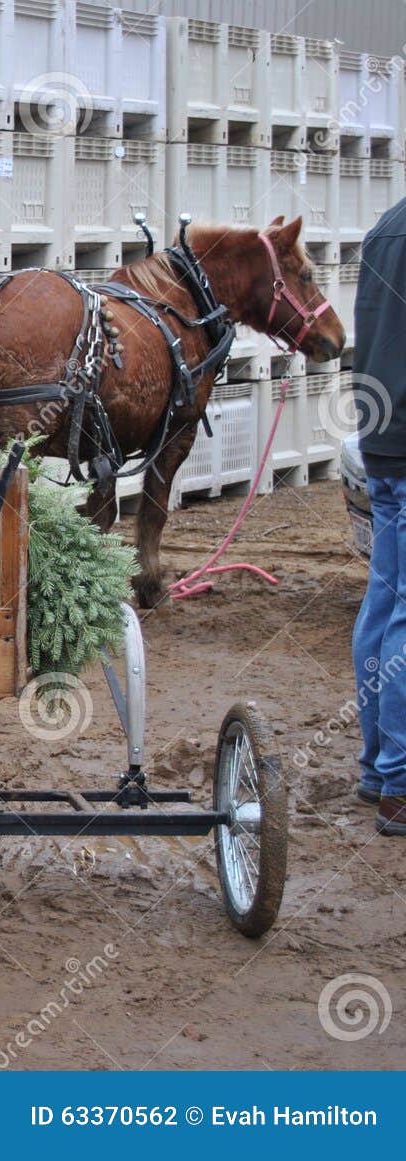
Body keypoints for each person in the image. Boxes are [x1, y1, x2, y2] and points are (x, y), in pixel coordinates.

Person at [352, 194, 406, 835]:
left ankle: (376, 769)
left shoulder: (383, 225)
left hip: (381, 436)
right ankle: (399, 782)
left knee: (384, 601)